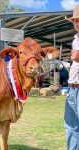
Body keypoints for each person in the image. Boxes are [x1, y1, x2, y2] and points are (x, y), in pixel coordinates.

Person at [65, 4, 79, 150]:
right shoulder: (76, 39)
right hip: (72, 89)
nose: (77, 23)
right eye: (75, 20)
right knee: (70, 126)